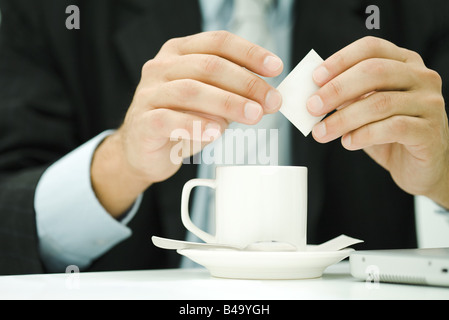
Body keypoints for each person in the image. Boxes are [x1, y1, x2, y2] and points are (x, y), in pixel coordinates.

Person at [0, 0, 448, 275]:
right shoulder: (53, 10)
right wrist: (120, 164)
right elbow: (10, 216)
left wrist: (443, 175)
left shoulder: (420, 10)